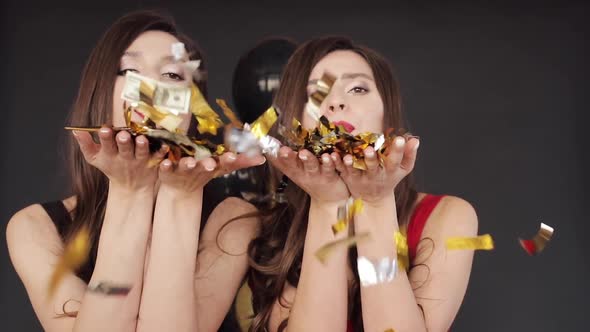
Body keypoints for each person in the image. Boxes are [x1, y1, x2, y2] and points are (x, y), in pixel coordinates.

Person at [6, 10, 263, 332]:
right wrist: (130, 191)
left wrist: (180, 196)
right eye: (129, 70)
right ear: (99, 91)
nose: (150, 87)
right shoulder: (35, 227)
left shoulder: (233, 220)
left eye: (172, 75)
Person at [247, 36, 479, 332]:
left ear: (387, 114)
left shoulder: (448, 216)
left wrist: (375, 202)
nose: (336, 102)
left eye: (358, 88)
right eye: (317, 92)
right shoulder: (258, 226)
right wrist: (328, 203)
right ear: (295, 120)